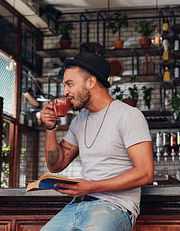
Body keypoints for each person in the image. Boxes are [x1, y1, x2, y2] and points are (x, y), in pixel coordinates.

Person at [39, 51, 154, 231]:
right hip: (77, 205)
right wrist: (50, 127)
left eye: (70, 84)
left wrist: (91, 187)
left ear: (91, 82)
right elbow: (56, 165)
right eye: (64, 85)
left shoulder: (128, 115)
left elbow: (145, 173)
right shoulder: (79, 120)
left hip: (115, 206)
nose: (65, 92)